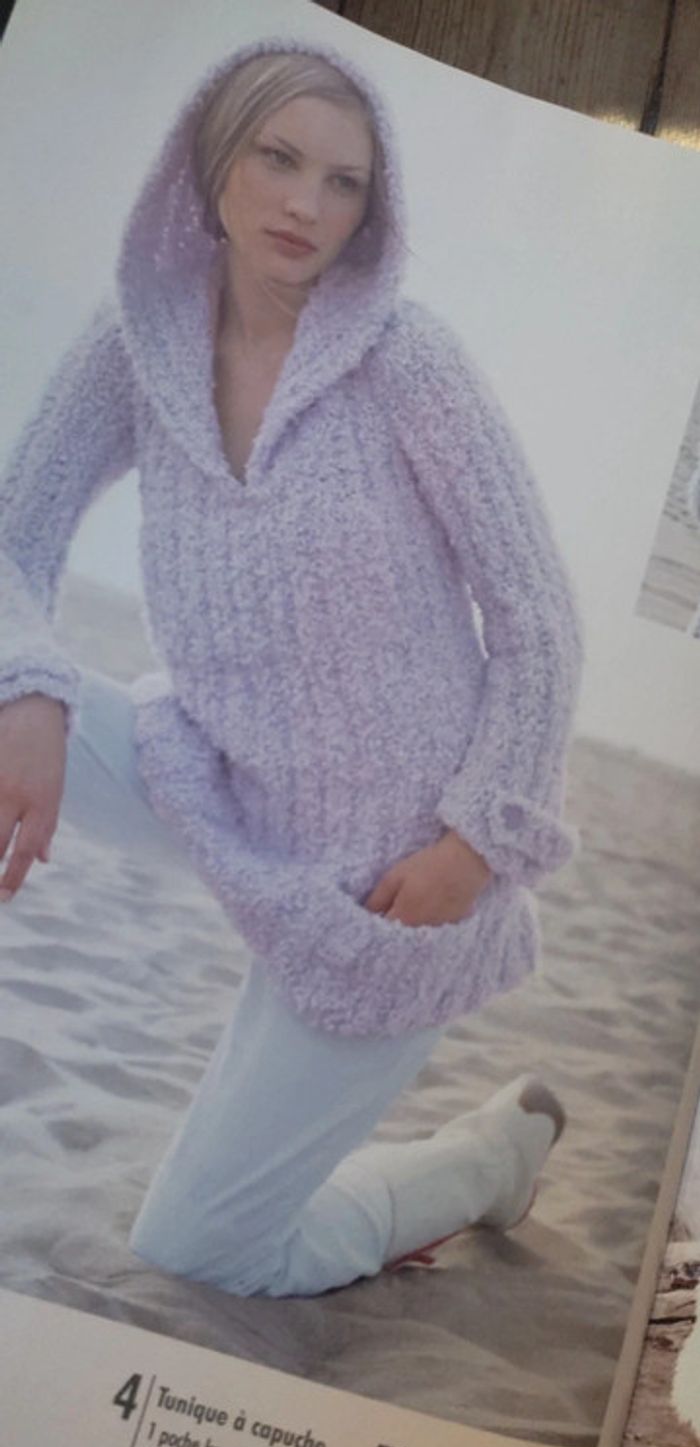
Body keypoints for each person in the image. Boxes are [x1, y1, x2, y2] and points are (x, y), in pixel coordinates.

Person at [0, 37, 583, 1298]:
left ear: (374, 207)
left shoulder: (406, 363)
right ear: (214, 160)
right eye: (278, 158)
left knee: (200, 1248)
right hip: (213, 779)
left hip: (386, 886)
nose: (305, 204)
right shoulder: (139, 344)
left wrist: (472, 845)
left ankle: (482, 1160)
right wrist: (28, 686)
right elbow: (14, 529)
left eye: (343, 181)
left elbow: (539, 618)